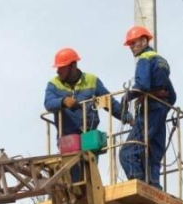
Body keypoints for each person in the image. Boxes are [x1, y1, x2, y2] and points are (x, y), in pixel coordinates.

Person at [44, 47, 131, 179]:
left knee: (89, 175)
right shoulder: (54, 84)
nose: (58, 71)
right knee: (72, 176)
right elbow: (48, 103)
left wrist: (128, 118)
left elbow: (108, 102)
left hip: (88, 134)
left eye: (62, 67)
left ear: (73, 66)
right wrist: (63, 101)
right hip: (68, 137)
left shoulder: (91, 80)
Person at [119, 26, 177, 190]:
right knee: (153, 152)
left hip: (150, 110)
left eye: (133, 43)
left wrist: (127, 97)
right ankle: (154, 185)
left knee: (127, 152)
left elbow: (143, 85)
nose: (131, 47)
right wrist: (162, 111)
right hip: (160, 110)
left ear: (144, 41)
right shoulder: (160, 61)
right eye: (130, 44)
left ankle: (139, 184)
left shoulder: (145, 59)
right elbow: (172, 96)